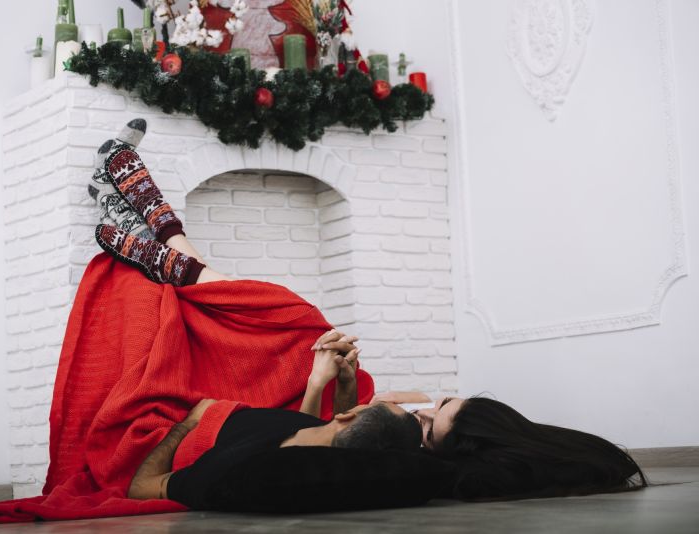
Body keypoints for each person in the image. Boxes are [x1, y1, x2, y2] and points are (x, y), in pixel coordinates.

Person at [92, 119, 646, 504]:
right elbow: (322, 428)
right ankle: (154, 234)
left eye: (431, 423)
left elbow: (305, 441)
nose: (423, 409)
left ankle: (156, 235)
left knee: (289, 316)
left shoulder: (406, 464)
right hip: (300, 413)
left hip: (268, 421)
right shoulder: (414, 432)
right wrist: (342, 381)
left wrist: (320, 386)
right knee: (298, 320)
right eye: (444, 404)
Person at [372, 391, 648, 500]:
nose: (421, 414)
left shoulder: (455, 472)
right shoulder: (538, 440)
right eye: (443, 403)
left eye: (429, 432)